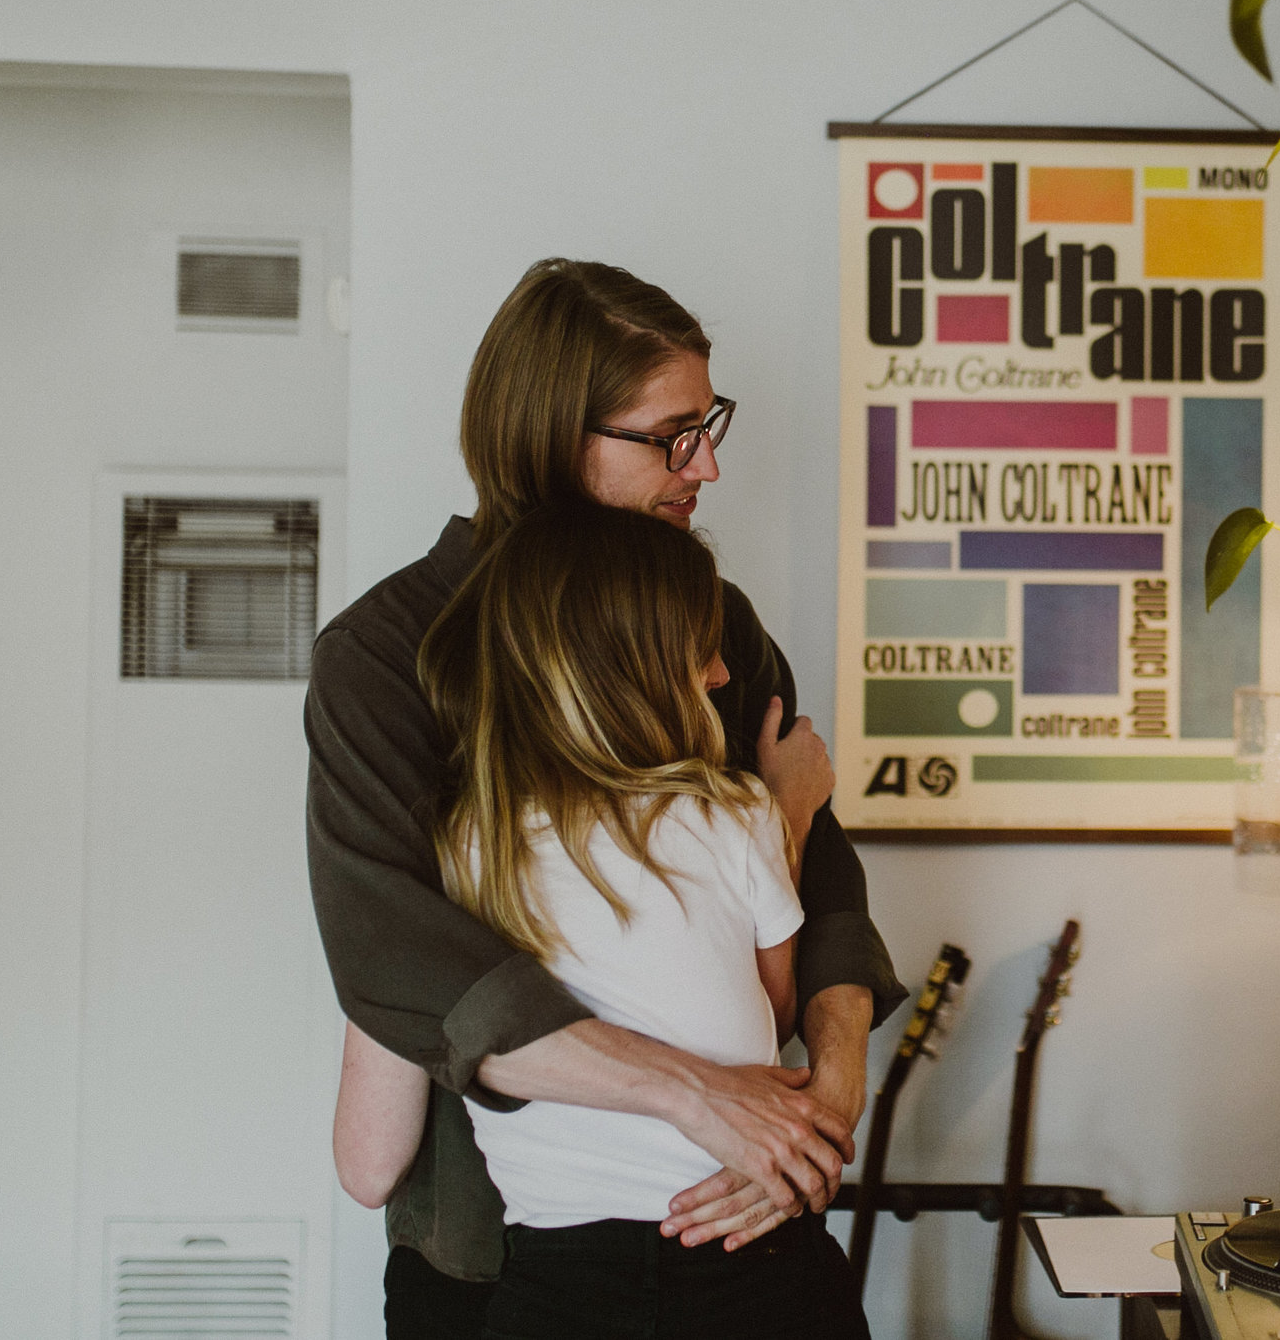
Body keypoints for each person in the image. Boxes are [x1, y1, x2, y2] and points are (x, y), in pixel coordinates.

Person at [307, 260, 907, 1337]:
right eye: (672, 433)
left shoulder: (711, 621)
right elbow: (402, 958)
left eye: (709, 421)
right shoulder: (386, 654)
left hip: (749, 1231)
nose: (708, 463)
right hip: (500, 1257)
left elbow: (816, 886)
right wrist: (698, 1094)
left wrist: (823, 1102)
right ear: (550, 436)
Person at [335, 501, 861, 1338]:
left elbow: (367, 1162)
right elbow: (778, 1011)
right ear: (635, 669)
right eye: (701, 652)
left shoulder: (455, 856)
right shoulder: (738, 814)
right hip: (753, 1254)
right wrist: (790, 816)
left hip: (556, 1280)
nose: (723, 676)